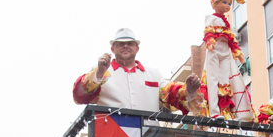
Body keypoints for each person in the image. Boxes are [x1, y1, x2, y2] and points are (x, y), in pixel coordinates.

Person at [72, 28, 202, 114]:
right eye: (120, 44)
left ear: (137, 48)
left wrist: (189, 89)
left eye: (130, 43)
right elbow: (79, 95)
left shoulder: (153, 74)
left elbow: (168, 94)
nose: (126, 46)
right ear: (112, 49)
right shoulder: (102, 70)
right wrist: (99, 73)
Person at [200, 0, 252, 120]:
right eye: (225, 3)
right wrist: (210, 42)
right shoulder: (211, 18)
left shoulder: (226, 22)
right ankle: (214, 111)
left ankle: (224, 111)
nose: (228, 6)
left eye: (229, 4)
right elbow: (208, 33)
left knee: (224, 81)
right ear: (215, 3)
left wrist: (237, 52)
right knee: (213, 80)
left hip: (225, 54)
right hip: (214, 51)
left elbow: (231, 40)